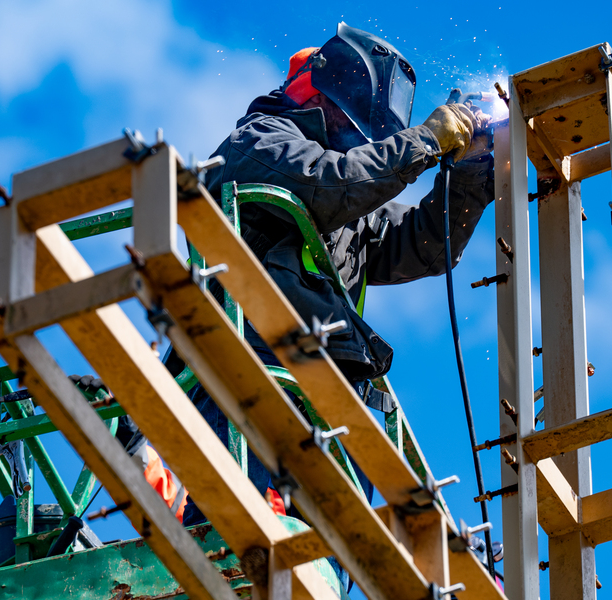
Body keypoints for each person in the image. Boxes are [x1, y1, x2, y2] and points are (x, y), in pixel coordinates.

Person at [181, 21, 495, 585]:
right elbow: (334, 183)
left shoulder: (350, 201)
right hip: (253, 375)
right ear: (317, 98)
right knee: (244, 552)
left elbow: (424, 244)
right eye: (350, 126)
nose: (356, 139)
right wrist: (426, 141)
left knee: (321, 567)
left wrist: (471, 171)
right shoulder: (258, 142)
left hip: (324, 398)